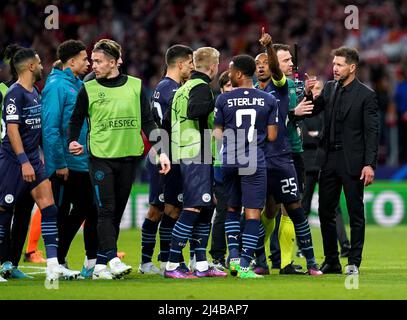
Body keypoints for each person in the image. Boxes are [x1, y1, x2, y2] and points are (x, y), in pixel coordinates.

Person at [68, 39, 170, 280]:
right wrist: (72, 140)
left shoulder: (135, 86)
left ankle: (101, 266)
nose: (94, 65)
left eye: (99, 61)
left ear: (114, 62)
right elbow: (76, 118)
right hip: (100, 157)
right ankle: (112, 258)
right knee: (106, 210)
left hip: (129, 157)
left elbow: (148, 122)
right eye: (92, 61)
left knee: (116, 212)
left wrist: (162, 151)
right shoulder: (88, 88)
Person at [294, 46, 379, 275]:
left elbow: (372, 133)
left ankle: (353, 261)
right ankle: (332, 260)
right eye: (333, 64)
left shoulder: (366, 95)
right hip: (329, 159)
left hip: (352, 162)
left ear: (352, 67)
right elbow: (311, 110)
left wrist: (369, 164)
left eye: (339, 65)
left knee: (355, 212)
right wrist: (308, 94)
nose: (334, 68)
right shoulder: (330, 88)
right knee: (324, 211)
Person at [258, 29, 322, 275]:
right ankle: (259, 259)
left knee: (290, 208)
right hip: (265, 155)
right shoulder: (259, 87)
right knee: (269, 210)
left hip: (291, 152)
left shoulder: (292, 86)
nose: (290, 63)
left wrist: (308, 96)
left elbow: (307, 114)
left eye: (290, 61)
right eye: (286, 60)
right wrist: (293, 113)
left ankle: (285, 263)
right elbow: (285, 115)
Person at [0, 48, 62, 283]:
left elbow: (35, 130)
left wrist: (39, 157)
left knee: (50, 208)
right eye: (38, 62)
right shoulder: (15, 94)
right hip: (13, 162)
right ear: (29, 67)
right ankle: (3, 264)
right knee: (3, 213)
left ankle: (53, 265)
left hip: (33, 161)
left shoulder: (34, 91)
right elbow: (13, 130)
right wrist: (24, 161)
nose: (42, 66)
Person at [164, 47, 226, 278]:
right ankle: (172, 264)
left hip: (185, 153)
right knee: (193, 207)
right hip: (196, 154)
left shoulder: (183, 88)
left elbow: (168, 120)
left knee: (205, 207)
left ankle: (201, 264)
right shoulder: (201, 87)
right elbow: (194, 111)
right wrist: (220, 100)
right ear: (212, 66)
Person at [214, 54, 278, 278]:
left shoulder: (223, 100)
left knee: (231, 208)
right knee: (252, 213)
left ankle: (232, 257)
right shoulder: (268, 100)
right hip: (253, 159)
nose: (228, 73)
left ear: (239, 74)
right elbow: (271, 136)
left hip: (229, 159)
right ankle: (244, 266)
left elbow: (217, 133)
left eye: (231, 70)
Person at [42, 39, 99, 279]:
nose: (88, 63)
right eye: (85, 59)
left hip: (82, 162)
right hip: (65, 164)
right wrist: (58, 163)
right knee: (64, 211)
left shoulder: (76, 84)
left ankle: (64, 260)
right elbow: (51, 127)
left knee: (88, 208)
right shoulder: (56, 85)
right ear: (72, 61)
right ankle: (57, 263)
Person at [139, 44, 193, 275]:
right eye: (190, 63)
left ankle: (162, 260)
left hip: (171, 156)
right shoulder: (167, 89)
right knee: (161, 209)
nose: (192, 67)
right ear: (180, 64)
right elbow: (160, 127)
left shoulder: (172, 87)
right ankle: (150, 262)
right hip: (165, 157)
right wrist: (163, 153)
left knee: (167, 208)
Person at [0, 44, 42, 280]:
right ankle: (5, 260)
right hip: (8, 158)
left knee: (23, 212)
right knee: (6, 209)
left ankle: (11, 262)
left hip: (27, 158)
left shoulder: (32, 90)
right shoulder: (10, 92)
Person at [300, 80, 351, 258]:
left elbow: (324, 134)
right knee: (302, 206)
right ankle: (303, 246)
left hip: (322, 161)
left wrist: (316, 136)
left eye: (318, 89)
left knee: (332, 206)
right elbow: (304, 136)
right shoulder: (305, 107)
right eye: (312, 89)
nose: (315, 92)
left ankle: (344, 244)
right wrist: (318, 137)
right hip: (308, 163)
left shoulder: (326, 108)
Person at [209, 70, 233, 270]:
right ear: (222, 88)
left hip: (242, 163)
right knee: (223, 210)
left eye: (234, 86)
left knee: (238, 211)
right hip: (220, 165)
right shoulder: (217, 107)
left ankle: (236, 253)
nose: (231, 90)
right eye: (228, 86)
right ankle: (217, 255)